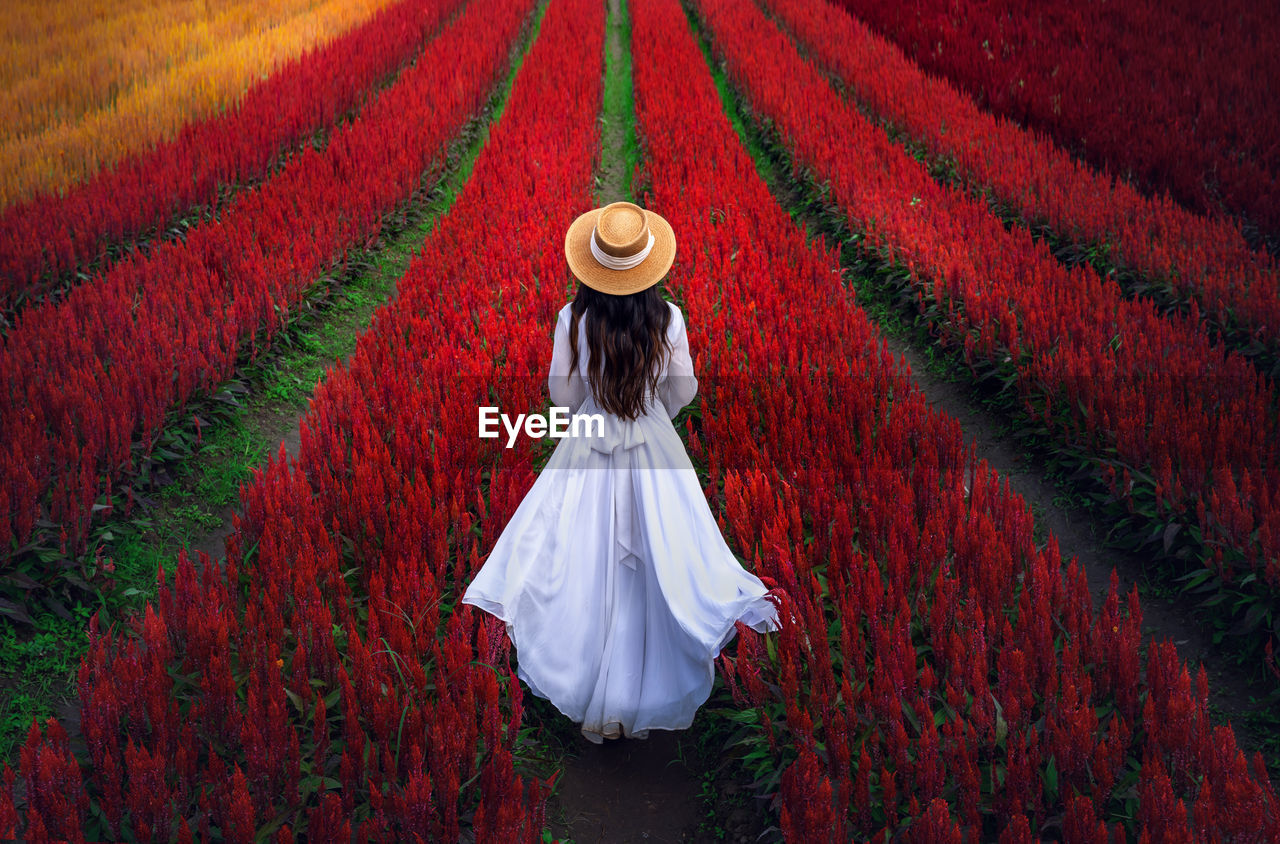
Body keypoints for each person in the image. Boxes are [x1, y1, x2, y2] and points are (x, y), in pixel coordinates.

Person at [461, 200, 781, 744]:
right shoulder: (669, 318)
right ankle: (648, 682)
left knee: (583, 562)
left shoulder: (573, 318)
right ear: (649, 266)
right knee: (665, 559)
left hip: (589, 442)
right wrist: (653, 415)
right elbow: (684, 390)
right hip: (654, 443)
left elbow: (561, 397)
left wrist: (595, 406)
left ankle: (592, 687)